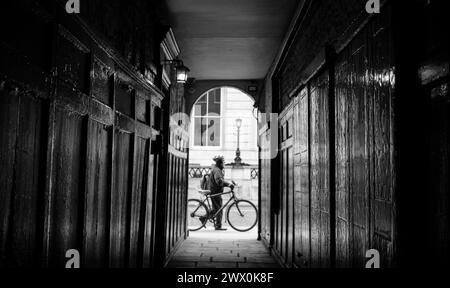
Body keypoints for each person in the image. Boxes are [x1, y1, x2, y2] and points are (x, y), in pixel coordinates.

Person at [208, 156, 234, 231]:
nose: (224, 165)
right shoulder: (217, 170)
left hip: (215, 191)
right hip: (215, 192)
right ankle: (218, 226)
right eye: (223, 163)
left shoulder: (217, 169)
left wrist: (228, 183)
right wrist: (228, 184)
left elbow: (221, 180)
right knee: (219, 208)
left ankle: (204, 218)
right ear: (220, 163)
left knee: (216, 208)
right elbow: (219, 181)